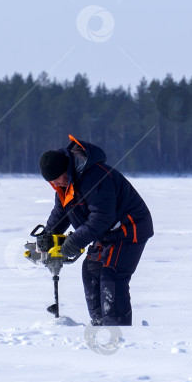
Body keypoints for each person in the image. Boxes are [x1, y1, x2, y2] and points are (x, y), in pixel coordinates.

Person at [38, 135, 153, 326]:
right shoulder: (66, 184)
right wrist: (47, 235)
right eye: (52, 183)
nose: (56, 184)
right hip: (107, 233)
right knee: (91, 270)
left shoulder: (94, 176)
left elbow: (101, 217)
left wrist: (74, 242)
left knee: (112, 275)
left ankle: (117, 331)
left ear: (65, 169)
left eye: (57, 179)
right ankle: (100, 325)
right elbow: (62, 212)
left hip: (129, 227)